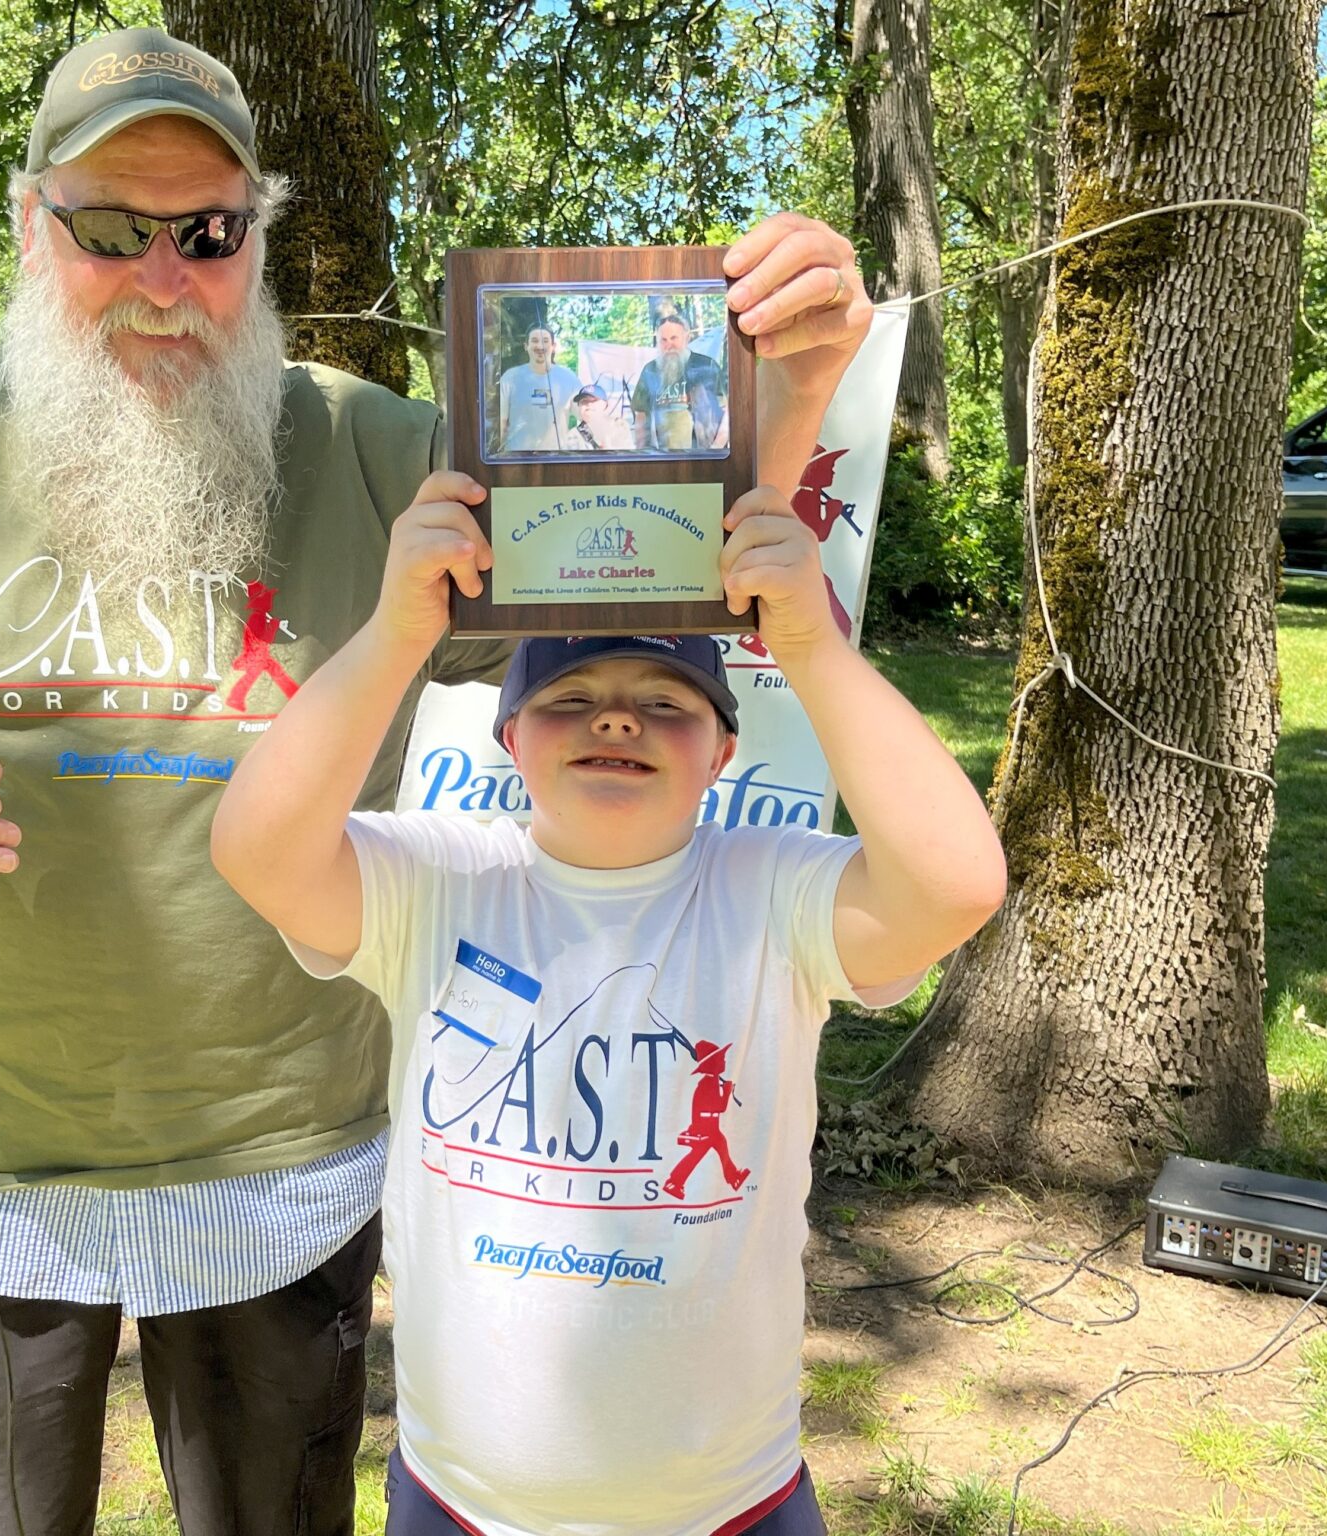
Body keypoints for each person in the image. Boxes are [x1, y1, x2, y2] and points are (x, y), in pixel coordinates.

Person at [0, 27, 513, 1536]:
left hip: (281, 1163)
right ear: (32, 222)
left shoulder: (365, 447)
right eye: (110, 229)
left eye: (208, 234)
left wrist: (774, 378)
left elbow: (645, 567)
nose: (163, 278)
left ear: (255, 236)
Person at [210, 255, 1006, 1534]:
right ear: (509, 743)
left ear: (723, 749)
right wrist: (397, 631)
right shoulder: (439, 880)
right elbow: (256, 848)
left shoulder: (772, 897)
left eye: (666, 703)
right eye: (568, 702)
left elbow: (958, 880)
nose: (616, 721)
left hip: (726, 1502)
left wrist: (804, 641)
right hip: (460, 1501)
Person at [633, 313, 727, 451]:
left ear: (687, 338)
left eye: (673, 338)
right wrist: (642, 453)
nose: (668, 345)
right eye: (663, 340)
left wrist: (716, 448)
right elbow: (640, 416)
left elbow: (728, 412)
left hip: (704, 457)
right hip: (662, 460)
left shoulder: (707, 367)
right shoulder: (650, 371)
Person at [495, 325, 582, 452]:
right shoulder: (510, 377)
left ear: (553, 347)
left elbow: (585, 416)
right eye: (535, 341)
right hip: (517, 458)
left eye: (545, 341)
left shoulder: (569, 378)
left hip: (557, 459)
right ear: (526, 346)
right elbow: (501, 422)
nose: (540, 346)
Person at [568, 383, 634, 451]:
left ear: (605, 405)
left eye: (593, 400)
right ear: (579, 406)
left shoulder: (619, 426)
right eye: (584, 401)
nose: (588, 404)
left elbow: (629, 455)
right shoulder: (573, 434)